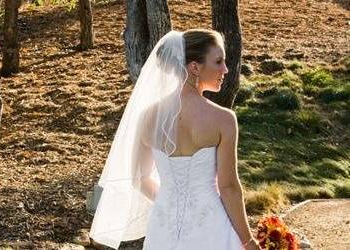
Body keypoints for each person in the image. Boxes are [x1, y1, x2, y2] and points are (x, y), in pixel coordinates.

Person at [89, 29, 261, 250]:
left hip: (163, 229)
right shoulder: (223, 119)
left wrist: (171, 200)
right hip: (210, 227)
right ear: (195, 67)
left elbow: (140, 178)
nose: (226, 70)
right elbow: (228, 187)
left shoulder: (147, 117)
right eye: (218, 61)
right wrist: (248, 241)